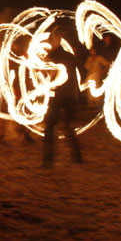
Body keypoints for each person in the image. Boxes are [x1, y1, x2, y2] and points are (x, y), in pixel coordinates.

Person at [42, 29, 82, 168]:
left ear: (54, 40)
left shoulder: (52, 55)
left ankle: (48, 161)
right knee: (67, 126)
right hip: (71, 94)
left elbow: (50, 74)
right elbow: (77, 72)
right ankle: (77, 156)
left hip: (59, 95)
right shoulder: (70, 56)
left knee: (49, 127)